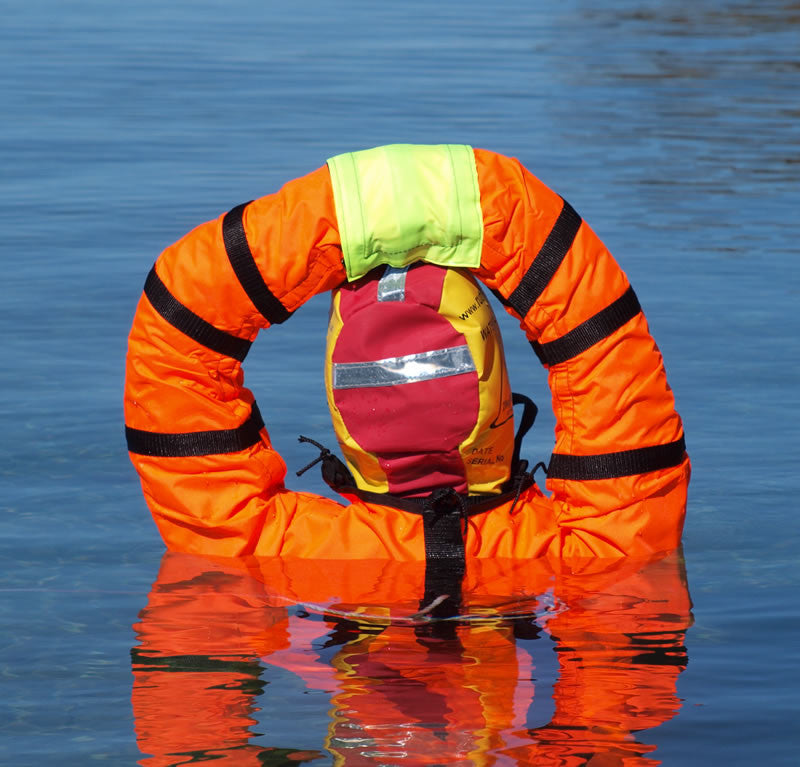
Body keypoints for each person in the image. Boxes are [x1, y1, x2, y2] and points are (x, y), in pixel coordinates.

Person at [124, 144, 690, 566]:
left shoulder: (254, 544)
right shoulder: (606, 541)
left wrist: (345, 225)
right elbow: (604, 347)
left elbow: (179, 327)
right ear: (496, 403)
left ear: (344, 406)